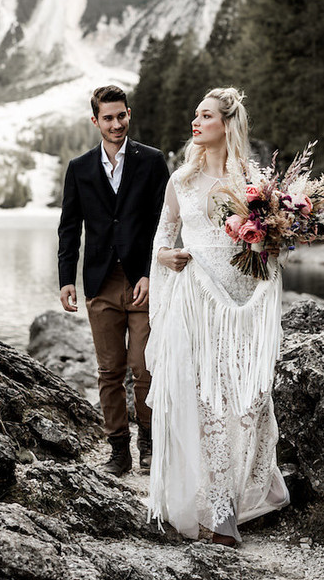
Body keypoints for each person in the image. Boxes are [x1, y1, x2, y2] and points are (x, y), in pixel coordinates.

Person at [146, 87, 290, 546]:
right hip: (195, 303)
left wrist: (270, 245)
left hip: (242, 307)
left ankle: (254, 486)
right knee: (205, 401)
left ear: (227, 124)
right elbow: (162, 239)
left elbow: (269, 247)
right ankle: (219, 508)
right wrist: (166, 257)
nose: (195, 122)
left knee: (247, 399)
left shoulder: (252, 181)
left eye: (205, 115)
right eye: (195, 114)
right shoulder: (180, 180)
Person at [58, 85, 169, 475]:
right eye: (108, 118)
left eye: (121, 115)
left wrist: (151, 273)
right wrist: (66, 279)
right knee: (109, 371)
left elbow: (165, 224)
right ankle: (118, 450)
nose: (116, 124)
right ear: (95, 121)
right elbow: (69, 228)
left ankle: (149, 443)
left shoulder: (152, 161)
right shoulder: (79, 168)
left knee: (144, 366)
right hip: (100, 281)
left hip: (143, 281)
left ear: (129, 114)